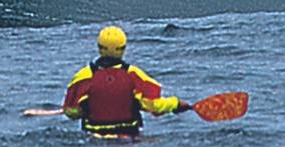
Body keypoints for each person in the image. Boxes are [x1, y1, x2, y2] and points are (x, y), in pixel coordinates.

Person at [62, 25, 194, 139]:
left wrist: (82, 110)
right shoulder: (133, 75)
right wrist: (175, 104)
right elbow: (154, 105)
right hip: (128, 137)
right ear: (123, 49)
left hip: (93, 138)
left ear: (99, 47)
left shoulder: (84, 76)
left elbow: (70, 111)